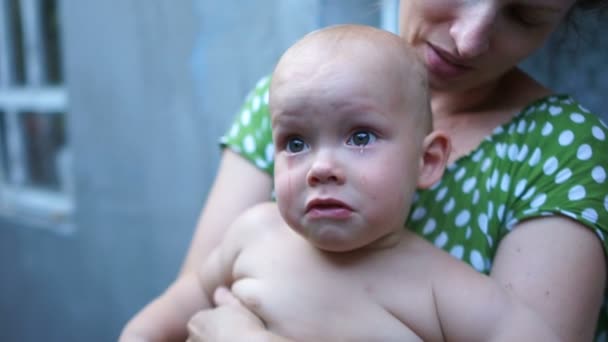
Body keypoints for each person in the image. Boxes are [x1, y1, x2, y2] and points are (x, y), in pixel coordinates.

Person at [143, 0, 608, 340]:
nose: (469, 39)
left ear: (429, 161)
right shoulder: (294, 98)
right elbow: (188, 303)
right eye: (296, 144)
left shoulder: (436, 278)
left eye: (524, 15)